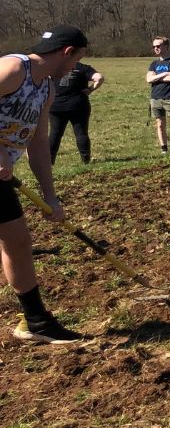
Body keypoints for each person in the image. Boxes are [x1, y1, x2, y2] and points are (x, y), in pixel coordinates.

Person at [1, 25, 90, 343]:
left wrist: (50, 196)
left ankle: (35, 322)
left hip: (2, 176)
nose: (75, 68)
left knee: (18, 242)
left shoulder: (46, 90)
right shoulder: (13, 68)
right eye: (77, 59)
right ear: (67, 53)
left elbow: (37, 143)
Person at [48, 58, 104, 163]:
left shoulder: (55, 67)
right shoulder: (83, 68)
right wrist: (91, 89)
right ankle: (85, 159)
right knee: (81, 133)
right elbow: (99, 78)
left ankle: (49, 161)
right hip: (78, 104)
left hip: (56, 105)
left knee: (55, 133)